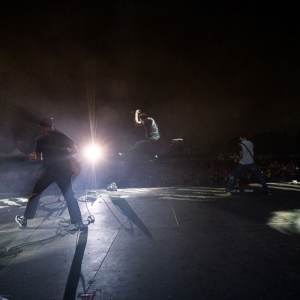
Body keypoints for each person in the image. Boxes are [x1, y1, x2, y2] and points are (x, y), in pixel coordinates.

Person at [15, 118, 87, 231]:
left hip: (48, 171)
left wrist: (40, 158)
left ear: (42, 127)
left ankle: (24, 221)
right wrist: (65, 156)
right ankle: (79, 223)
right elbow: (75, 150)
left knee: (35, 194)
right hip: (63, 171)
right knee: (69, 196)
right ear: (51, 126)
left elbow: (38, 158)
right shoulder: (61, 136)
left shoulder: (40, 138)